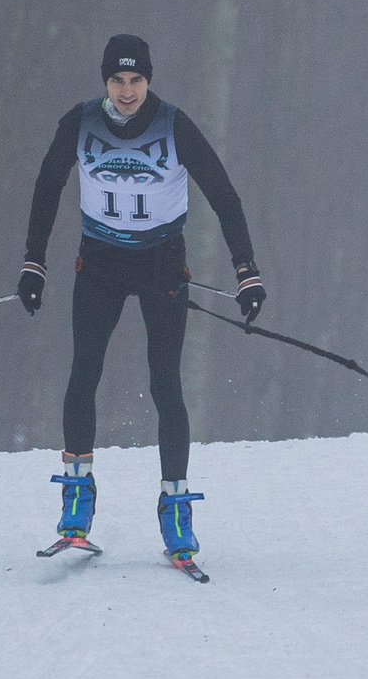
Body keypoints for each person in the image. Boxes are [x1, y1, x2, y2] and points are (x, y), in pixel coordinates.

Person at [19, 33, 265, 569]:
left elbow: (223, 195)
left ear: (148, 80)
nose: (127, 91)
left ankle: (175, 508)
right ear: (104, 81)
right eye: (117, 80)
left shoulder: (174, 125)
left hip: (160, 265)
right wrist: (33, 262)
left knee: (165, 383)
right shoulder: (80, 122)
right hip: (100, 265)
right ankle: (76, 503)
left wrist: (246, 272)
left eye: (135, 80)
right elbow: (47, 185)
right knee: (84, 373)